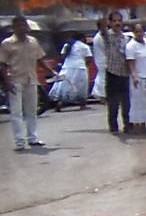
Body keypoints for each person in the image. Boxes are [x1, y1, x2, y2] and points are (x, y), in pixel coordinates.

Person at [0, 16, 56, 150]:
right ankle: (20, 141)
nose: (22, 28)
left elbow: (39, 60)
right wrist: (6, 82)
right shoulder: (7, 44)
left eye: (24, 25)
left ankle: (33, 138)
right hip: (15, 81)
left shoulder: (33, 42)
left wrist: (52, 71)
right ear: (14, 28)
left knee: (31, 111)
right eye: (19, 26)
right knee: (16, 113)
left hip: (31, 80)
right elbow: (2, 65)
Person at [104, 10, 132, 133]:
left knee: (126, 102)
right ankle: (114, 126)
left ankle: (128, 125)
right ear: (110, 23)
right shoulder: (107, 36)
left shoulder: (126, 38)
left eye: (119, 21)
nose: (117, 23)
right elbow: (103, 29)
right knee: (113, 103)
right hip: (112, 72)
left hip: (125, 73)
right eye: (114, 21)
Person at [49, 32, 91, 111]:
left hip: (67, 67)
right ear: (82, 38)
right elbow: (89, 58)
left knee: (65, 85)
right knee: (82, 86)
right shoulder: (85, 46)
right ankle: (83, 105)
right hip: (80, 67)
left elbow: (63, 56)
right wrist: (85, 65)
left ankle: (60, 103)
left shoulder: (67, 45)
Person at [90, 18, 107, 101]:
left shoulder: (101, 36)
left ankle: (101, 94)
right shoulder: (99, 38)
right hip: (102, 59)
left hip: (103, 59)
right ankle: (102, 95)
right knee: (103, 78)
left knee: (102, 77)